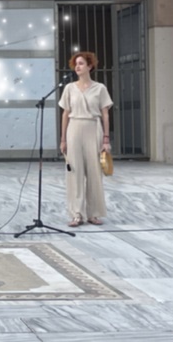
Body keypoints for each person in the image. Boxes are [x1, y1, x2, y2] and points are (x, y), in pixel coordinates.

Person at [59, 51, 113, 227]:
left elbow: (105, 114)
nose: (77, 66)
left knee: (94, 172)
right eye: (76, 64)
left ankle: (93, 213)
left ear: (90, 66)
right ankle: (76, 213)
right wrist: (63, 139)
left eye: (81, 63)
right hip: (74, 128)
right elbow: (65, 114)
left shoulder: (100, 88)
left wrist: (106, 139)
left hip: (93, 128)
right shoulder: (69, 88)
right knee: (74, 172)